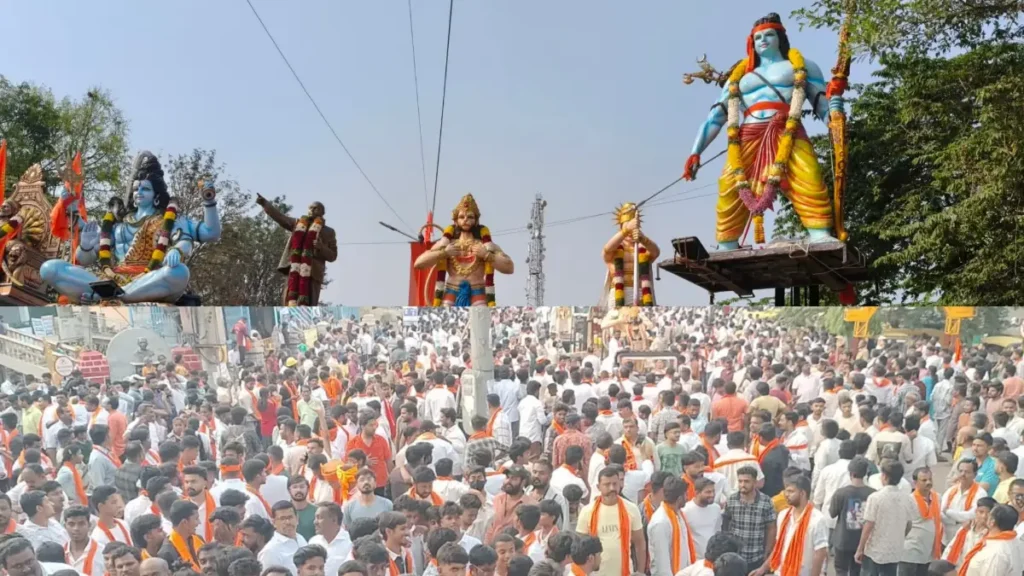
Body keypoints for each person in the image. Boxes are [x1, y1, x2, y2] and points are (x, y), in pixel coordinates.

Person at [256, 195, 337, 306]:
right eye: (310, 208)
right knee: (289, 301)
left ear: (322, 212)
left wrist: (321, 247)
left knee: (309, 305)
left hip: (313, 274)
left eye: (316, 208)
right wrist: (265, 204)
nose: (312, 210)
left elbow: (333, 256)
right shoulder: (298, 224)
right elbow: (280, 217)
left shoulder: (329, 232)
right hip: (294, 270)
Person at [576, 467, 645, 576]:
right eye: (607, 484)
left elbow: (640, 542)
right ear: (598, 487)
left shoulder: (631, 509)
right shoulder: (587, 511)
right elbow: (579, 546)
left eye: (615, 484)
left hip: (625, 572)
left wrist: (641, 572)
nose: (612, 488)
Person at [856, 461, 915, 576]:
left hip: (874, 550)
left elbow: (868, 525)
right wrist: (899, 537)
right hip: (895, 550)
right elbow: (909, 524)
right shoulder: (908, 499)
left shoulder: (875, 498)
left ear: (884, 476)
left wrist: (860, 548)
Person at [828, 457, 874, 576]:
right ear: (865, 473)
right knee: (857, 572)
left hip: (842, 540)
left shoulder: (841, 493)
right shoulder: (873, 494)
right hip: (863, 541)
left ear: (851, 473)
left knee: (841, 570)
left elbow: (832, 513)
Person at [258, 501, 308, 574]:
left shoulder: (300, 538)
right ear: (274, 522)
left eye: (290, 517)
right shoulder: (270, 551)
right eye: (282, 519)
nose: (288, 522)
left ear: (297, 518)